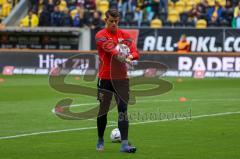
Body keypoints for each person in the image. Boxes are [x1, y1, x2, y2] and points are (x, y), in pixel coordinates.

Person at [95, 9, 139, 153]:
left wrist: (130, 57)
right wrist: (125, 57)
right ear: (105, 20)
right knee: (103, 111)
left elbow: (135, 52)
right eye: (111, 21)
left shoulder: (125, 35)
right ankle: (100, 139)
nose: (114, 24)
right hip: (105, 78)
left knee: (123, 111)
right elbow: (111, 50)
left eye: (116, 21)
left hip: (121, 79)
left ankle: (124, 145)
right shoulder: (100, 35)